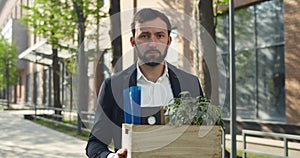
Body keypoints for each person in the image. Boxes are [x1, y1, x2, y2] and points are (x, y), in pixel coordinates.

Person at [86, 8, 204, 158]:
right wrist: (112, 157)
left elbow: (203, 135)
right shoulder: (113, 86)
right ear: (133, 41)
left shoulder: (190, 83)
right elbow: (95, 144)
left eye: (159, 35)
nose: (152, 43)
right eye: (145, 36)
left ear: (168, 41)